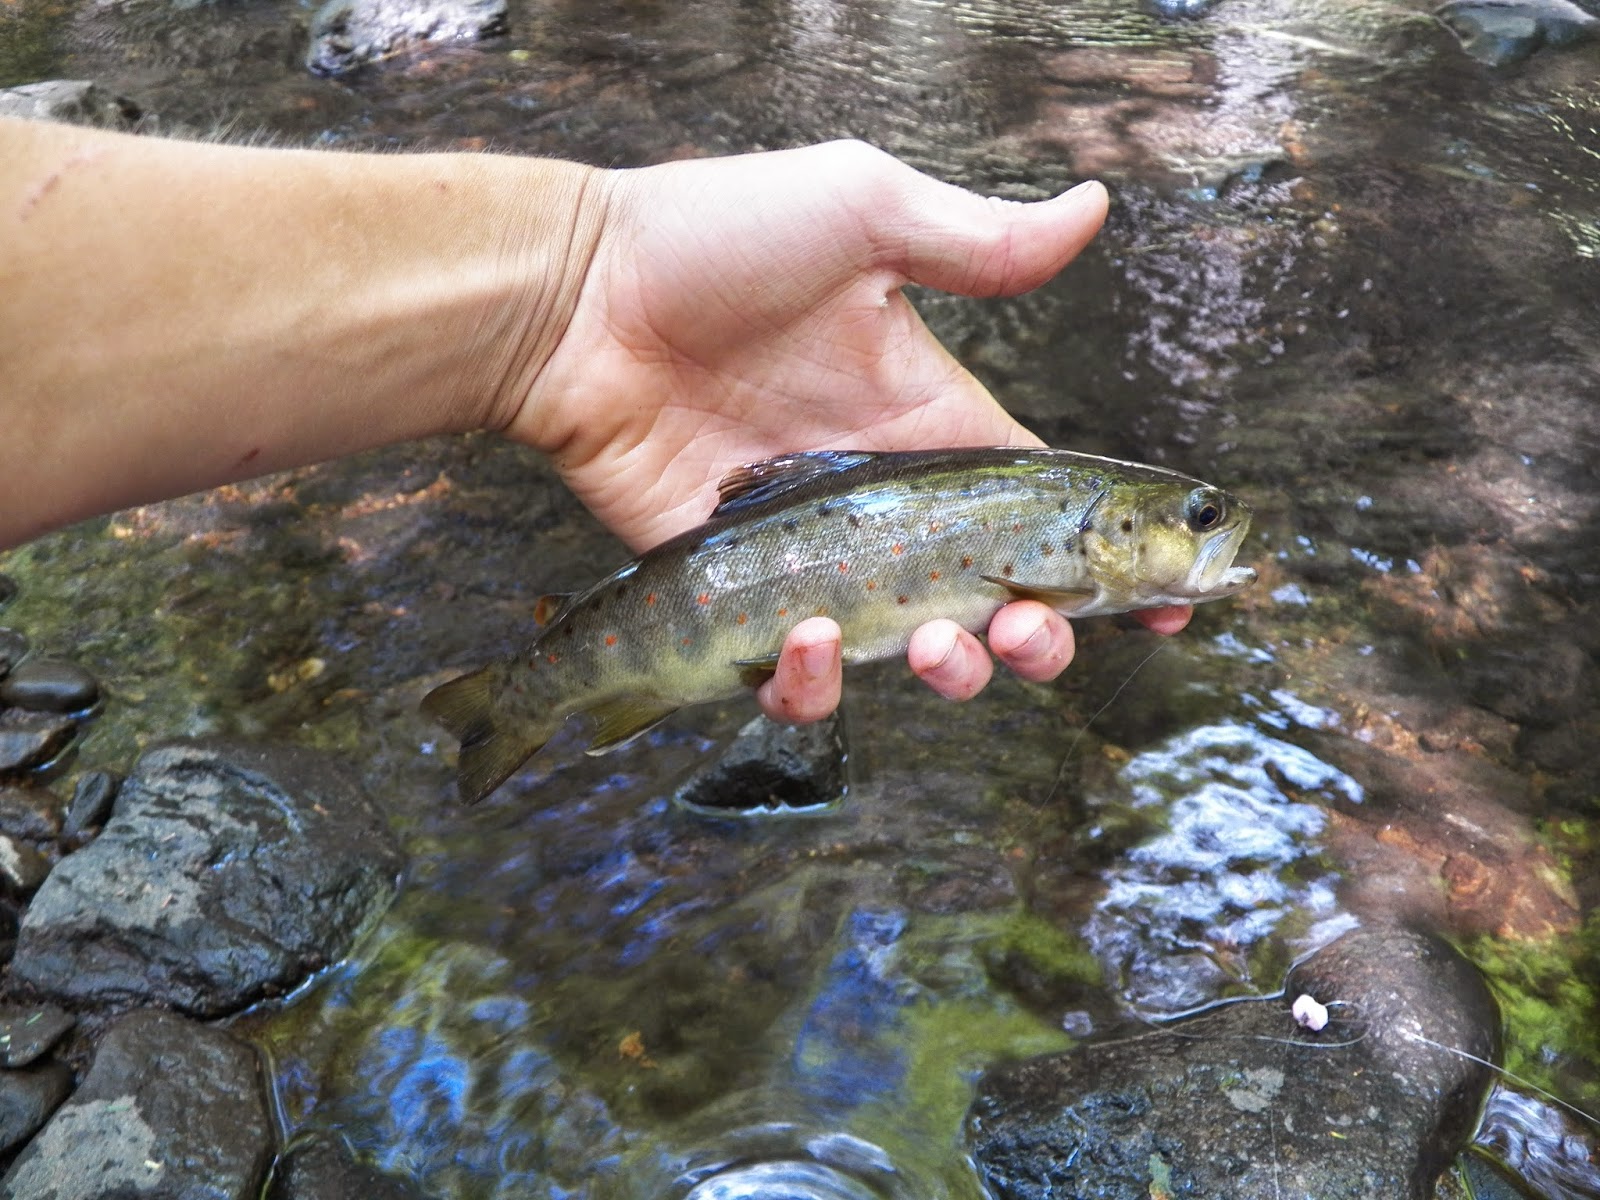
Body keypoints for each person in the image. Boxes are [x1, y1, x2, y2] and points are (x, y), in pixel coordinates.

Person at [0, 117, 1189, 723]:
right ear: (1115, 530)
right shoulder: (1065, 517)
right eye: (1194, 518)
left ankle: (534, 694)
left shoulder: (1065, 525)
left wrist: (575, 287)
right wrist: (578, 283)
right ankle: (525, 696)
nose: (1210, 534)